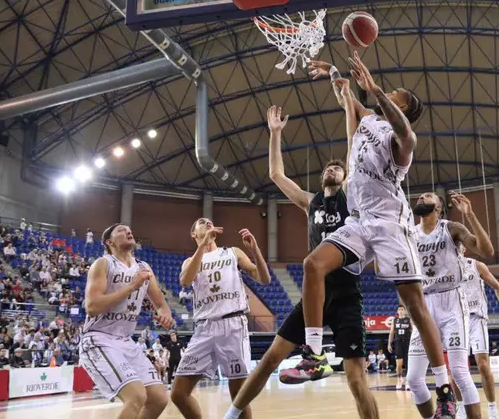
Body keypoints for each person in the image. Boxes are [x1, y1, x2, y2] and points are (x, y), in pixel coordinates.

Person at [287, 53, 455, 419]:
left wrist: (375, 89)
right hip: (359, 220)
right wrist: (334, 73)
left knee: (414, 305)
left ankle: (444, 388)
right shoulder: (367, 119)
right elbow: (347, 98)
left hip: (390, 223)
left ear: (403, 108)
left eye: (397, 95)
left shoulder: (401, 140)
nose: (390, 94)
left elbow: (404, 130)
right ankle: (314, 354)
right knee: (313, 264)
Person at [225, 81, 378, 419]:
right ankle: (230, 416)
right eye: (328, 168)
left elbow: (352, 147)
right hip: (314, 294)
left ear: (346, 175)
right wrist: (275, 134)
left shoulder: (351, 198)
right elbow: (276, 174)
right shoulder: (311, 202)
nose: (332, 169)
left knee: (356, 379)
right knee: (270, 358)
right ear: (322, 177)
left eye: (338, 168)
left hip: (346, 293)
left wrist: (347, 104)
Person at [407, 191, 494, 419]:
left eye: (427, 196)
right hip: (424, 304)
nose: (421, 198)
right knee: (413, 379)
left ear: (438, 207)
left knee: (459, 372)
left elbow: (487, 251)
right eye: (420, 196)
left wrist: (470, 215)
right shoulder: (410, 233)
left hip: (451, 302)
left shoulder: (451, 228)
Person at [171, 223, 271, 419]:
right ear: (193, 233)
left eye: (209, 221)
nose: (207, 223)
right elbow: (185, 280)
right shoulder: (190, 261)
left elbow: (264, 279)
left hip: (232, 324)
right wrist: (203, 245)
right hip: (204, 328)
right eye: (202, 222)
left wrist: (255, 250)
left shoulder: (232, 252)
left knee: (238, 396)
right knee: (178, 394)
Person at [78, 224, 175, 419]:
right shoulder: (103, 264)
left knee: (159, 398)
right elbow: (92, 306)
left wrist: (165, 315)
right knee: (137, 396)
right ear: (110, 242)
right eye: (121, 230)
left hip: (125, 340)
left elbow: (160, 304)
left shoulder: (144, 267)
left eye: (129, 229)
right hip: (99, 338)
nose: (128, 231)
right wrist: (131, 286)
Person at [454, 244, 499, 419]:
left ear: (464, 248)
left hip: (476, 318)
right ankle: (460, 407)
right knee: (456, 368)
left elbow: (497, 287)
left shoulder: (476, 265)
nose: (456, 247)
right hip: (456, 320)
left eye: (459, 244)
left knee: (483, 366)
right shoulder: (446, 268)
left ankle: (492, 408)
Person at [387, 304, 412, 389]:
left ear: (404, 311)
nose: (401, 311)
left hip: (407, 342)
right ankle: (399, 379)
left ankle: (408, 381)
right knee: (399, 364)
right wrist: (389, 344)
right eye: (399, 309)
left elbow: (413, 331)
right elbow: (391, 333)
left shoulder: (408, 320)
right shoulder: (395, 320)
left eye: (402, 309)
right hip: (398, 343)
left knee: (408, 363)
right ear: (397, 311)